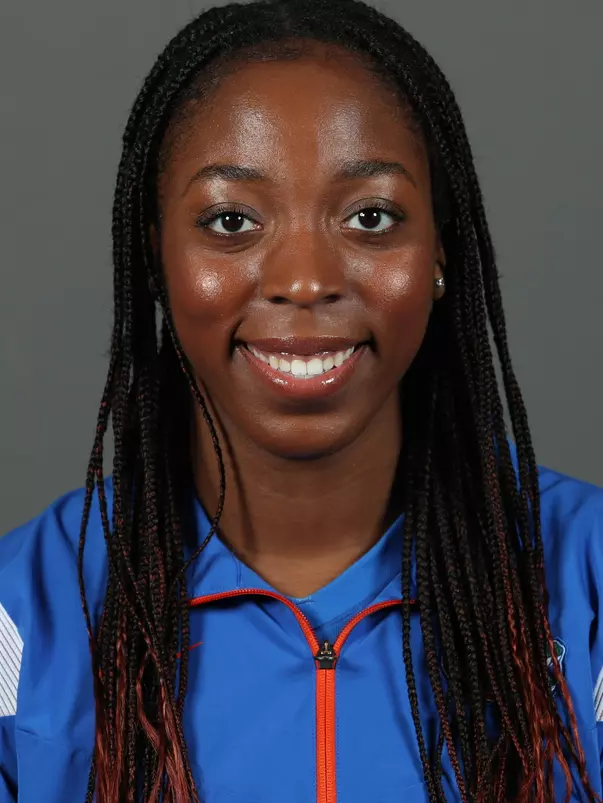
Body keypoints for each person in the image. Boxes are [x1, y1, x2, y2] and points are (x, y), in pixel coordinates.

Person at [0, 0, 602, 800]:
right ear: (156, 260)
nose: (304, 278)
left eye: (371, 216)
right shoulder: (25, 610)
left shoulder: (586, 582)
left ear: (438, 254)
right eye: (229, 220)